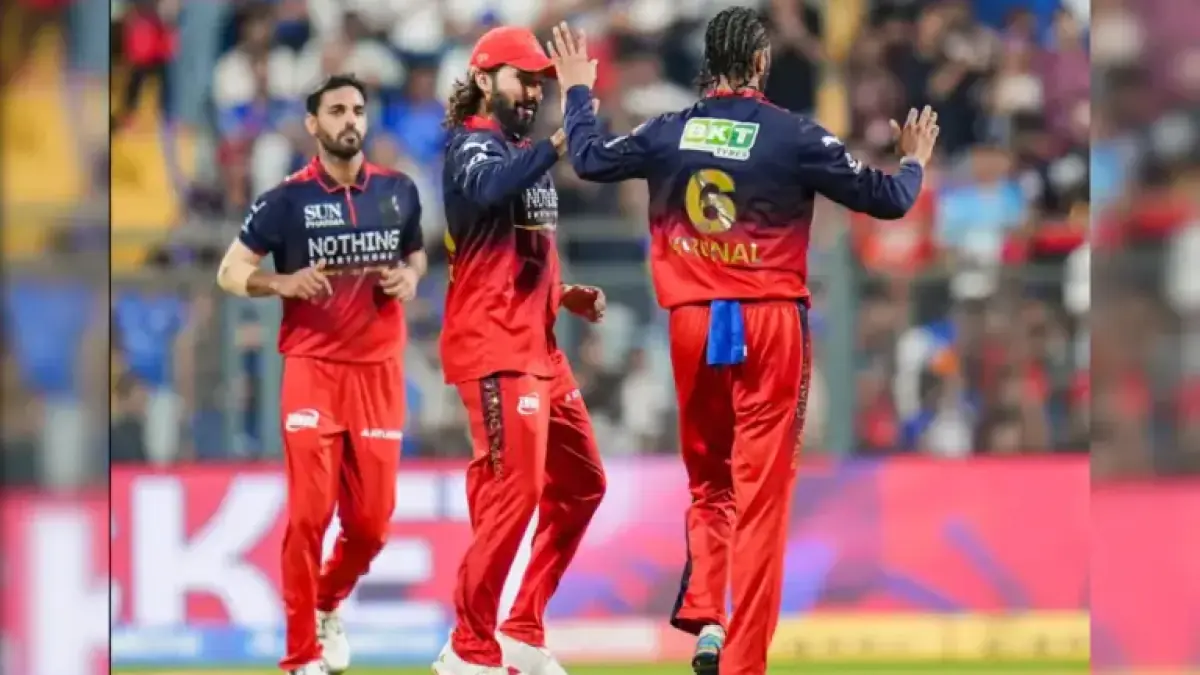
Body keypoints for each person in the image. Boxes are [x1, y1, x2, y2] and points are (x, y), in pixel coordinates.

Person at [546, 11, 939, 675]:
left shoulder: (668, 130)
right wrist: (913, 162)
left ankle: (707, 618)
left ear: (709, 63)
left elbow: (588, 157)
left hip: (694, 322)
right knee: (762, 500)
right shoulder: (795, 135)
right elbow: (888, 200)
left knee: (709, 483)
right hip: (769, 324)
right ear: (760, 63)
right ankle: (743, 663)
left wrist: (578, 89)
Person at [215, 73, 427, 675]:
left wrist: (410, 277)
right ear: (313, 123)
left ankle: (327, 603)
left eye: (357, 109)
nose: (349, 119)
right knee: (310, 516)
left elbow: (415, 254)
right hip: (313, 369)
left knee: (372, 527)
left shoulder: (398, 191)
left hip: (379, 374)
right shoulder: (285, 201)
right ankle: (299, 656)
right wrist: (281, 282)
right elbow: (230, 272)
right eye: (336, 110)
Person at [434, 25, 609, 675]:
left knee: (583, 483)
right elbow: (487, 191)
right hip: (494, 346)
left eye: (540, 83)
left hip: (539, 346)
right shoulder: (469, 146)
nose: (533, 92)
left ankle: (522, 628)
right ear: (484, 80)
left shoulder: (516, 151)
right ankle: (468, 647)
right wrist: (560, 141)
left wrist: (563, 293)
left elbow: (512, 251)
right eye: (522, 79)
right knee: (515, 491)